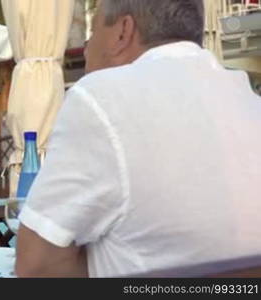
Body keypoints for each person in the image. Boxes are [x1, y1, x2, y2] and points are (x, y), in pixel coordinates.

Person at [15, 0, 261, 277]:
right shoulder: (249, 100)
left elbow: (35, 267)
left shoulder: (101, 97)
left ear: (123, 32)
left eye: (92, 33)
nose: (87, 48)